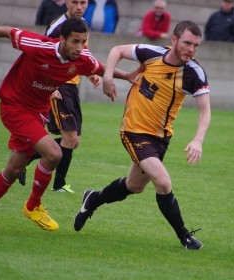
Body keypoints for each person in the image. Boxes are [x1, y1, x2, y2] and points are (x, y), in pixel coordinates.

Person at [0, 18, 138, 231]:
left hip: (38, 112)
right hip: (14, 107)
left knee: (13, 170)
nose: (79, 47)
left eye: (83, 41)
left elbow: (100, 69)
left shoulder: (82, 58)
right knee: (54, 153)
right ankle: (33, 205)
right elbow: (7, 30)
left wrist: (125, 76)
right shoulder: (38, 45)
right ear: (62, 39)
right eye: (75, 41)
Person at [74, 20, 211, 250]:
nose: (191, 49)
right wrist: (108, 77)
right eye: (187, 43)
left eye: (196, 45)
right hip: (134, 131)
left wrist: (198, 139)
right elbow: (116, 50)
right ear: (174, 40)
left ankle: (93, 199)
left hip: (161, 137)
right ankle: (185, 237)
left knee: (134, 186)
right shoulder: (151, 53)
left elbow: (205, 109)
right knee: (164, 182)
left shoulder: (193, 73)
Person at [19, 0, 90, 193]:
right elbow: (40, 56)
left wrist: (92, 75)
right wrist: (50, 88)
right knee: (69, 137)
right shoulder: (57, 28)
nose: (79, 7)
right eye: (75, 2)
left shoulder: (81, 24)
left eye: (83, 2)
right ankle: (59, 183)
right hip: (60, 85)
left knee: (74, 141)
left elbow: (82, 54)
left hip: (72, 86)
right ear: (66, 2)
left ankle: (25, 159)